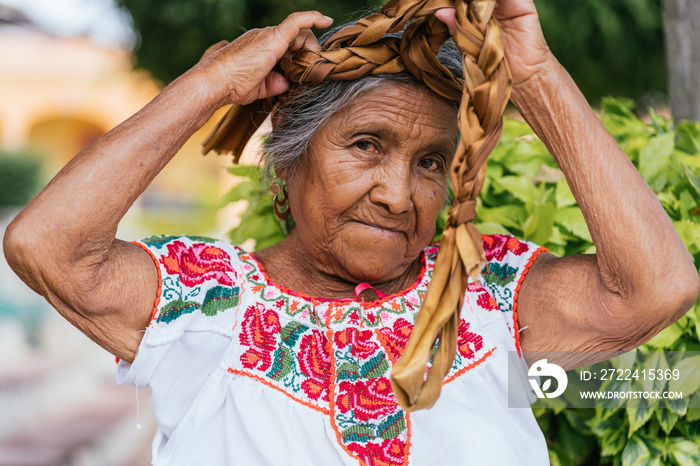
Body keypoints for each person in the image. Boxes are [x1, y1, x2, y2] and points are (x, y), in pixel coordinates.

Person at [3, 0, 698, 465]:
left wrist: (536, 76)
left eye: (431, 162)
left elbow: (655, 288)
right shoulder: (205, 304)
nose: (398, 195)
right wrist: (213, 82)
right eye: (367, 144)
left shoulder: (487, 297)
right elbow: (47, 246)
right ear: (288, 162)